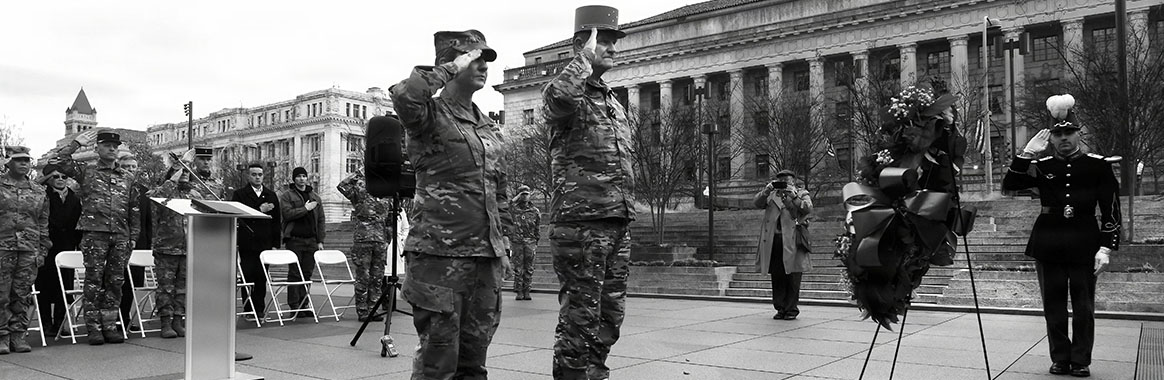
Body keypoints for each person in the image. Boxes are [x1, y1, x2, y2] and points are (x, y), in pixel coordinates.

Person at [390, 29, 513, 379]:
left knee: (474, 364)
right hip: (439, 261)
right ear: (453, 62)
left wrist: (504, 246)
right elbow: (406, 95)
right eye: (474, 58)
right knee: (438, 365)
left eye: (486, 59)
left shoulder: (487, 126)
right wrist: (447, 69)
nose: (483, 66)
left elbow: (498, 191)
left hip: (484, 260)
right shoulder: (428, 116)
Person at [541, 6, 635, 380]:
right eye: (605, 41)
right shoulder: (565, 93)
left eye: (614, 41)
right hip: (581, 224)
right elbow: (560, 100)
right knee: (581, 316)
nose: (612, 48)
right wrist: (582, 58)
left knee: (610, 315)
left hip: (616, 220)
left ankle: (595, 374)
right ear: (581, 44)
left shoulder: (611, 100)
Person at [1002, 94, 1120, 378]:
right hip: (1048, 243)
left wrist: (1106, 247)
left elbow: (1111, 209)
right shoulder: (1042, 166)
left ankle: (1080, 360)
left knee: (1083, 307)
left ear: (1078, 134)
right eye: (1058, 134)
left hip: (1084, 242)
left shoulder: (1098, 165)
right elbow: (1009, 185)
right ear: (1050, 138)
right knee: (1053, 307)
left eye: (1069, 132)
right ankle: (1060, 358)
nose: (1064, 138)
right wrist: (1025, 155)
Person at [51, 130, 141, 345]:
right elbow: (58, 162)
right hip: (95, 234)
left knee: (115, 282)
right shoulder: (87, 171)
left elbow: (134, 207)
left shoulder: (127, 176)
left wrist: (134, 236)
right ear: (97, 148)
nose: (112, 149)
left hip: (120, 235)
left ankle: (110, 325)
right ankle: (93, 327)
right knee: (93, 281)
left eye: (115, 146)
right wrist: (75, 144)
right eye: (107, 145)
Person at [0, 146, 50, 354]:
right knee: (1, 293)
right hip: (3, 246)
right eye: (19, 160)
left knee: (21, 293)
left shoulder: (38, 191)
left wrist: (43, 248)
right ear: (8, 163)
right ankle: (2, 335)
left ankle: (18, 334)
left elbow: (43, 221)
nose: (24, 163)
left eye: (27, 160)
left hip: (29, 248)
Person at [752, 169, 813, 320]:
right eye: (781, 181)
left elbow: (808, 208)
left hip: (792, 240)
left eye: (788, 180)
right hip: (774, 240)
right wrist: (766, 190)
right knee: (777, 276)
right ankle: (780, 308)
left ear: (794, 181)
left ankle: (791, 309)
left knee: (793, 276)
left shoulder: (801, 193)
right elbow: (756, 203)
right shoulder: (772, 195)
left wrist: (794, 196)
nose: (784, 183)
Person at [336, 172, 391, 322]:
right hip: (363, 240)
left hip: (380, 241)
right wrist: (359, 172)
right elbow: (342, 186)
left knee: (377, 278)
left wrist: (388, 239)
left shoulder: (386, 194)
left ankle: (373, 309)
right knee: (363, 277)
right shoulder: (359, 192)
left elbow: (390, 219)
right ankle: (362, 311)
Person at [35, 164, 82, 337]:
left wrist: (78, 245)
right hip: (47, 246)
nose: (61, 179)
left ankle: (60, 322)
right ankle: (46, 323)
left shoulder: (74, 198)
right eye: (56, 177)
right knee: (45, 286)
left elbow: (78, 223)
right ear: (48, 179)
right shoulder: (41, 194)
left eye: (64, 176)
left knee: (65, 286)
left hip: (67, 246)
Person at [231, 162, 281, 321]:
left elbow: (276, 222)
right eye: (254, 174)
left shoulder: (271, 194)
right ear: (248, 176)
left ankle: (259, 308)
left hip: (265, 243)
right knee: (248, 276)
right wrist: (260, 210)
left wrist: (275, 244)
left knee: (261, 277)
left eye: (260, 174)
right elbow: (238, 215)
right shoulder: (239, 194)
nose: (257, 177)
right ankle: (248, 307)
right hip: (247, 242)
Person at [277, 166, 325, 318]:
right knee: (294, 274)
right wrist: (305, 209)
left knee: (307, 274)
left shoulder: (315, 196)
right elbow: (287, 214)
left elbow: (321, 220)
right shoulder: (287, 195)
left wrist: (320, 240)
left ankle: (304, 304)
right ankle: (294, 305)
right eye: (298, 176)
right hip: (295, 240)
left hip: (311, 240)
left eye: (304, 176)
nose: (301, 179)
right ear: (294, 179)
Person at [116, 154, 147, 334]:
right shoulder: (112, 188)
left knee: (131, 286)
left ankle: (126, 318)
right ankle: (114, 320)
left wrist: (146, 245)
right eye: (126, 166)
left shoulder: (144, 192)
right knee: (115, 284)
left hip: (137, 246)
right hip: (115, 244)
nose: (129, 169)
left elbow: (148, 222)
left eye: (133, 167)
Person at [509, 185, 541, 301]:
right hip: (517, 241)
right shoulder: (514, 209)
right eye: (522, 194)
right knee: (518, 267)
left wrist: (536, 240)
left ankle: (527, 290)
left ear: (530, 195)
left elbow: (537, 227)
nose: (524, 196)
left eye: (526, 194)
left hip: (530, 241)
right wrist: (515, 198)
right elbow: (506, 206)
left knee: (529, 267)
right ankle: (519, 291)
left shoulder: (534, 210)